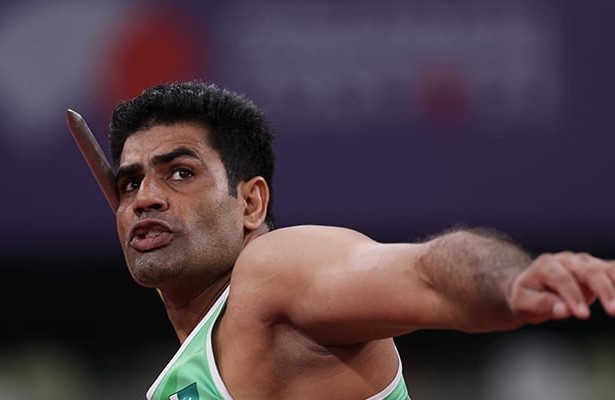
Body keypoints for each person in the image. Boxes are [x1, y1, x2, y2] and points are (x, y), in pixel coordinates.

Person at [105, 81, 615, 400]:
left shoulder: (275, 271)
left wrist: (508, 281)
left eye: (180, 173)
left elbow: (425, 273)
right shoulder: (191, 366)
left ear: (251, 203)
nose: (145, 198)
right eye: (130, 183)